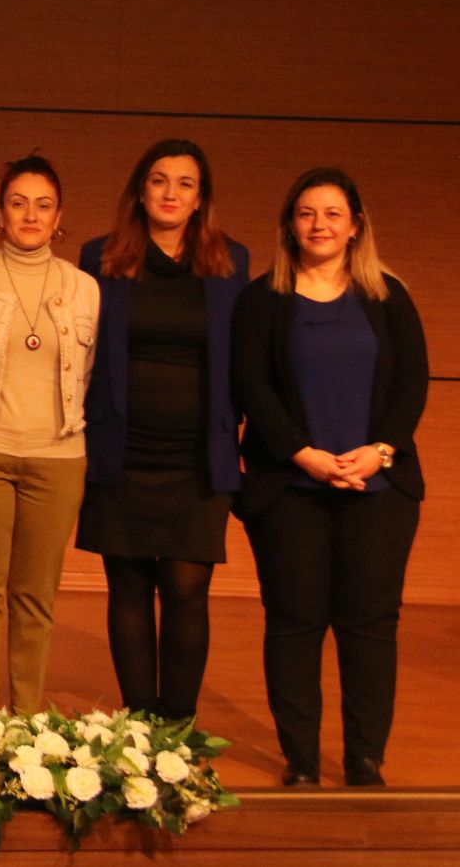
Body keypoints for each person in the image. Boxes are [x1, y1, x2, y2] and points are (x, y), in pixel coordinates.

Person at [234, 168, 428, 788]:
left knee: (369, 624)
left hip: (378, 489)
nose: (319, 225)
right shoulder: (262, 298)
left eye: (332, 214)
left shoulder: (388, 296)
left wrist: (381, 450)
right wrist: (302, 454)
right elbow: (251, 385)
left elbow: (411, 383)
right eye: (307, 213)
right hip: (290, 488)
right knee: (295, 621)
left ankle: (365, 760)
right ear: (290, 225)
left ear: (355, 227)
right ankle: (302, 762)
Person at [74, 138, 248, 722]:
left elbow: (244, 358)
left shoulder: (232, 262)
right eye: (159, 180)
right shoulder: (100, 257)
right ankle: (138, 728)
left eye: (185, 183)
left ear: (201, 199)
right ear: (140, 191)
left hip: (198, 457)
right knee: (127, 589)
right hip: (120, 452)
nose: (171, 193)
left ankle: (177, 729)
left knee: (186, 590)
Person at [0, 155, 98, 719]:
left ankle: (28, 727)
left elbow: (88, 375)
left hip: (58, 458)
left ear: (59, 217)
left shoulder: (85, 290)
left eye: (43, 205)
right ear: (0, 214)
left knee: (35, 598)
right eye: (18, 203)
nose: (31, 214)